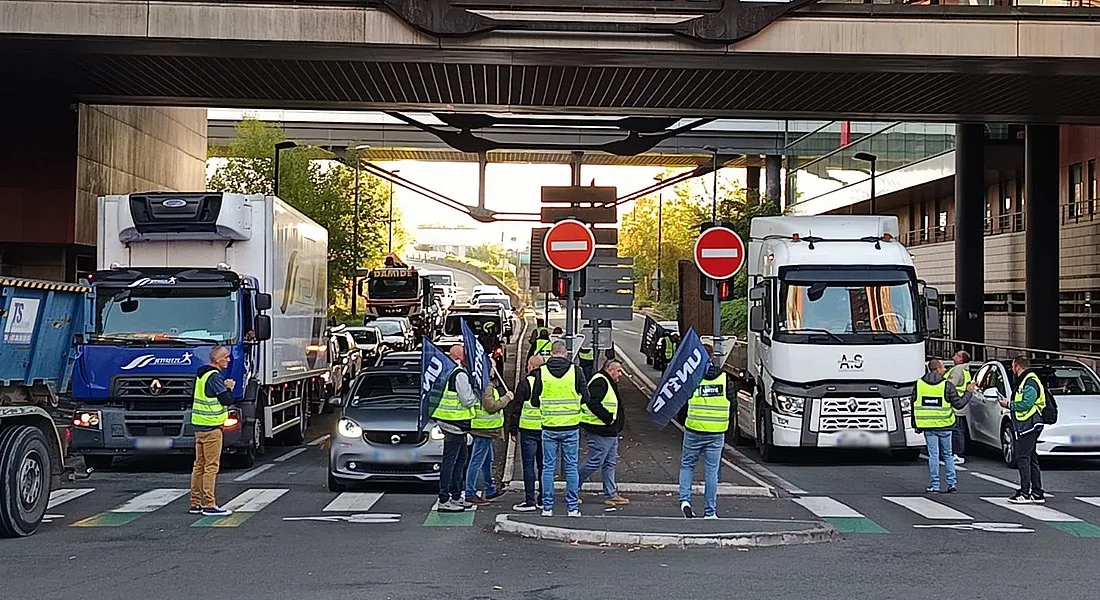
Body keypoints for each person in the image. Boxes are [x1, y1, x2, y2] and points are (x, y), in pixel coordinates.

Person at [530, 341, 611, 517]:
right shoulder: (576, 371)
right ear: (565, 353)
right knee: (571, 467)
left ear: (551, 353)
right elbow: (587, 396)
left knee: (548, 467)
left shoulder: (541, 372)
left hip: (549, 426)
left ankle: (547, 507)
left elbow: (535, 401)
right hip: (571, 426)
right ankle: (572, 508)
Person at [678, 344, 736, 519]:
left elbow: (682, 403)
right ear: (712, 358)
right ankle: (710, 512)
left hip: (694, 429)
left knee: (687, 465)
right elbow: (733, 404)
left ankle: (685, 500)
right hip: (716, 432)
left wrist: (684, 421)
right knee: (712, 471)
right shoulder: (725, 379)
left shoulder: (692, 377)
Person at [432, 344, 482, 513]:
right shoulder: (459, 374)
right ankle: (444, 499)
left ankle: (454, 496)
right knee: (451, 462)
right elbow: (467, 399)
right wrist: (477, 395)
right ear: (459, 357)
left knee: (460, 459)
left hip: (449, 423)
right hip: (455, 424)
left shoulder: (445, 371)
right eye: (465, 355)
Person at [914, 359, 976, 494]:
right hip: (945, 425)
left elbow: (914, 404)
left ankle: (935, 485)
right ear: (936, 369)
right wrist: (968, 392)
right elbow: (958, 404)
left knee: (933, 456)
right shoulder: (946, 385)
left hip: (928, 426)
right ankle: (951, 484)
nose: (945, 370)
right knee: (948, 455)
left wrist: (916, 425)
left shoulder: (919, 384)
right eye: (943, 367)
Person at [189, 346, 236, 516]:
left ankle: (195, 503)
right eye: (226, 357)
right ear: (218, 360)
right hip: (212, 428)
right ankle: (209, 504)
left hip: (199, 427)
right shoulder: (215, 376)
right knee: (211, 467)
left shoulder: (202, 375)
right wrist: (229, 387)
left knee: (199, 466)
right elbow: (226, 400)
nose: (228, 360)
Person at [578, 358, 628, 506]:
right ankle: (572, 488)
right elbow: (592, 402)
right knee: (595, 461)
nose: (620, 374)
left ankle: (611, 494)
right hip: (600, 429)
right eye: (618, 370)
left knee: (609, 463)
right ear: (610, 370)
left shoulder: (606, 381)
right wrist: (608, 418)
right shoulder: (600, 381)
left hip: (609, 431)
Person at [1000, 355, 1047, 504]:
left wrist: (1009, 404)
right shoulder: (1027, 380)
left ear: (1017, 366)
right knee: (1031, 458)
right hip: (1027, 424)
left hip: (1029, 424)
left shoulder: (1030, 381)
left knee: (1023, 458)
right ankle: (1037, 492)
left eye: (1013, 366)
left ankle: (1025, 492)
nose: (1012, 369)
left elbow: (1027, 403)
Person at [465, 367, 513, 505]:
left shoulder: (482, 384)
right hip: (484, 429)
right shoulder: (487, 387)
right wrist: (506, 398)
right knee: (477, 461)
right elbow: (491, 406)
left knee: (487, 460)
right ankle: (470, 492)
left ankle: (490, 488)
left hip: (485, 429)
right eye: (491, 367)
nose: (494, 370)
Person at [506, 355, 546, 511]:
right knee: (545, 466)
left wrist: (513, 429)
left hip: (528, 429)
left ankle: (530, 501)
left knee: (528, 466)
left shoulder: (524, 384)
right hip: (545, 429)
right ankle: (543, 499)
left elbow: (516, 408)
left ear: (530, 366)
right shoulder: (549, 382)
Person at [944, 350, 972, 465]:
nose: (954, 355)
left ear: (961, 359)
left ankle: (957, 454)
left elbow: (949, 385)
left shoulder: (957, 370)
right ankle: (958, 453)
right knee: (959, 430)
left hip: (955, 404)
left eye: (957, 354)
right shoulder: (965, 369)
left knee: (956, 431)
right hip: (961, 403)